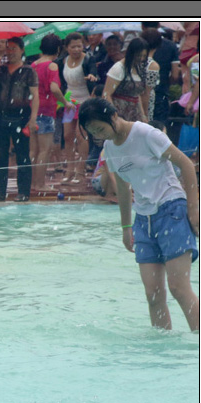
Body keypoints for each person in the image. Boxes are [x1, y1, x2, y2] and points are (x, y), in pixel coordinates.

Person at [79, 98, 199, 332]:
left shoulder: (146, 134)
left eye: (100, 129)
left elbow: (186, 164)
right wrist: (126, 227)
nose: (99, 135)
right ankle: (161, 346)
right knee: (153, 294)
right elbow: (124, 189)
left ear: (113, 116)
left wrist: (193, 210)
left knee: (179, 288)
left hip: (172, 209)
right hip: (144, 220)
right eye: (93, 133)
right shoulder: (110, 148)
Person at [0, 37, 39, 202]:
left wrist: (33, 119)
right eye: (8, 48)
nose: (10, 52)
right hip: (0, 117)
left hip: (21, 117)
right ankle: (0, 192)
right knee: (1, 156)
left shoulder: (28, 71)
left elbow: (35, 96)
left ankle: (23, 192)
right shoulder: (0, 70)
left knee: (22, 155)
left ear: (22, 50)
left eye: (13, 48)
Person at [30, 34, 74, 193]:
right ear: (57, 49)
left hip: (32, 110)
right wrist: (65, 102)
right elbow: (54, 88)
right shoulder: (52, 66)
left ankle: (32, 182)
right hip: (46, 111)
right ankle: (40, 184)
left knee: (33, 150)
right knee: (44, 150)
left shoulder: (33, 65)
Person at [58, 32, 97, 184]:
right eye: (73, 47)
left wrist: (92, 76)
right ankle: (69, 169)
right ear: (66, 48)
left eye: (79, 46)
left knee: (81, 136)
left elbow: (93, 72)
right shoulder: (62, 61)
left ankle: (80, 171)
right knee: (67, 136)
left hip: (85, 101)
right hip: (69, 101)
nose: (76, 50)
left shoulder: (88, 59)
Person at [102, 37, 157, 123]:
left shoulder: (139, 68)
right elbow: (106, 94)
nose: (141, 59)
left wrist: (143, 115)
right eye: (139, 56)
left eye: (144, 56)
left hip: (135, 113)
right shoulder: (119, 68)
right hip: (119, 113)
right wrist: (114, 115)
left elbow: (137, 95)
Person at [141, 25, 180, 123]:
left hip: (137, 100)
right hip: (160, 94)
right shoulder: (171, 46)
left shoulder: (136, 61)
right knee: (158, 127)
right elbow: (175, 75)